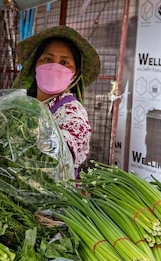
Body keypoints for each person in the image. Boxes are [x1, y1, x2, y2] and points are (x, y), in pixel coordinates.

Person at [12, 26, 101, 173]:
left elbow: (58, 157)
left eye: (64, 63)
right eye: (47, 59)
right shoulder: (25, 103)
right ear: (35, 64)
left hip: (54, 192)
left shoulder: (72, 111)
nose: (54, 67)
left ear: (75, 72)